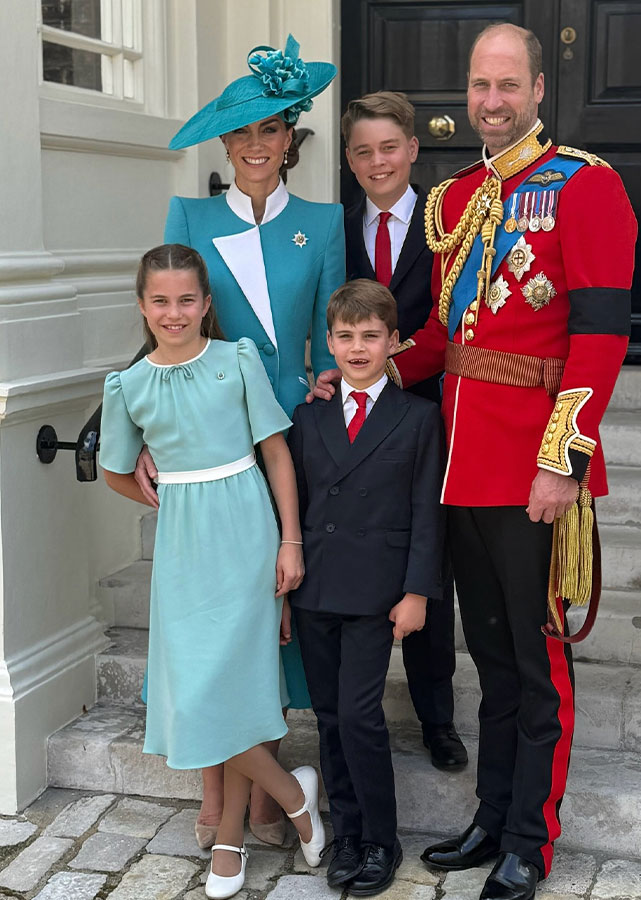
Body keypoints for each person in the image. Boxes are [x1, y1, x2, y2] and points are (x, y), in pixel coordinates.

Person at [313, 23, 637, 900]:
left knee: (536, 664)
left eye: (507, 85)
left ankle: (533, 838)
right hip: (458, 465)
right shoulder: (453, 200)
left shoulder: (586, 186)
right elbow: (441, 343)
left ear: (538, 88)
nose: (491, 102)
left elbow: (601, 337)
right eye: (478, 85)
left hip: (534, 466)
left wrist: (562, 459)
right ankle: (494, 814)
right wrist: (358, 374)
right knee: (488, 660)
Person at [132, 34, 345, 849]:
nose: (256, 147)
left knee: (270, 604)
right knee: (208, 616)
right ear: (225, 145)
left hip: (286, 433)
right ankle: (223, 799)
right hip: (208, 436)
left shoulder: (323, 224)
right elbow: (167, 318)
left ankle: (264, 785)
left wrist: (326, 380)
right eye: (241, 135)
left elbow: (327, 340)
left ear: (292, 137)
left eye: (270, 131)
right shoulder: (191, 215)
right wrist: (147, 428)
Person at [99, 244, 325, 899]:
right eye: (161, 301)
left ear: (206, 304)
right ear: (143, 307)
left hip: (248, 532)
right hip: (183, 547)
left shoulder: (236, 361)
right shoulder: (129, 384)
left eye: (187, 300)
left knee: (238, 693)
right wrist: (153, 483)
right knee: (197, 699)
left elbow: (276, 455)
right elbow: (115, 468)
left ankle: (229, 840)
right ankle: (294, 795)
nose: (175, 312)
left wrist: (291, 542)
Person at [288, 279, 444, 896]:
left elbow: (428, 513)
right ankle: (347, 831)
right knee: (328, 717)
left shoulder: (418, 418)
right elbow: (293, 503)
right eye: (346, 337)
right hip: (316, 586)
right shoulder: (310, 414)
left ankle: (383, 836)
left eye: (371, 337)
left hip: (379, 591)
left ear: (394, 343)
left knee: (359, 715)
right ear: (328, 342)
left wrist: (417, 592)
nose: (358, 348)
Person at [342, 90, 467, 771]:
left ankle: (438, 718)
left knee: (429, 563)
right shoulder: (334, 227)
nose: (377, 161)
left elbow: (450, 325)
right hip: (356, 421)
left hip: (430, 413)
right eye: (362, 150)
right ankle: (347, 705)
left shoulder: (448, 222)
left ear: (413, 150)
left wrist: (384, 371)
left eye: (389, 147)